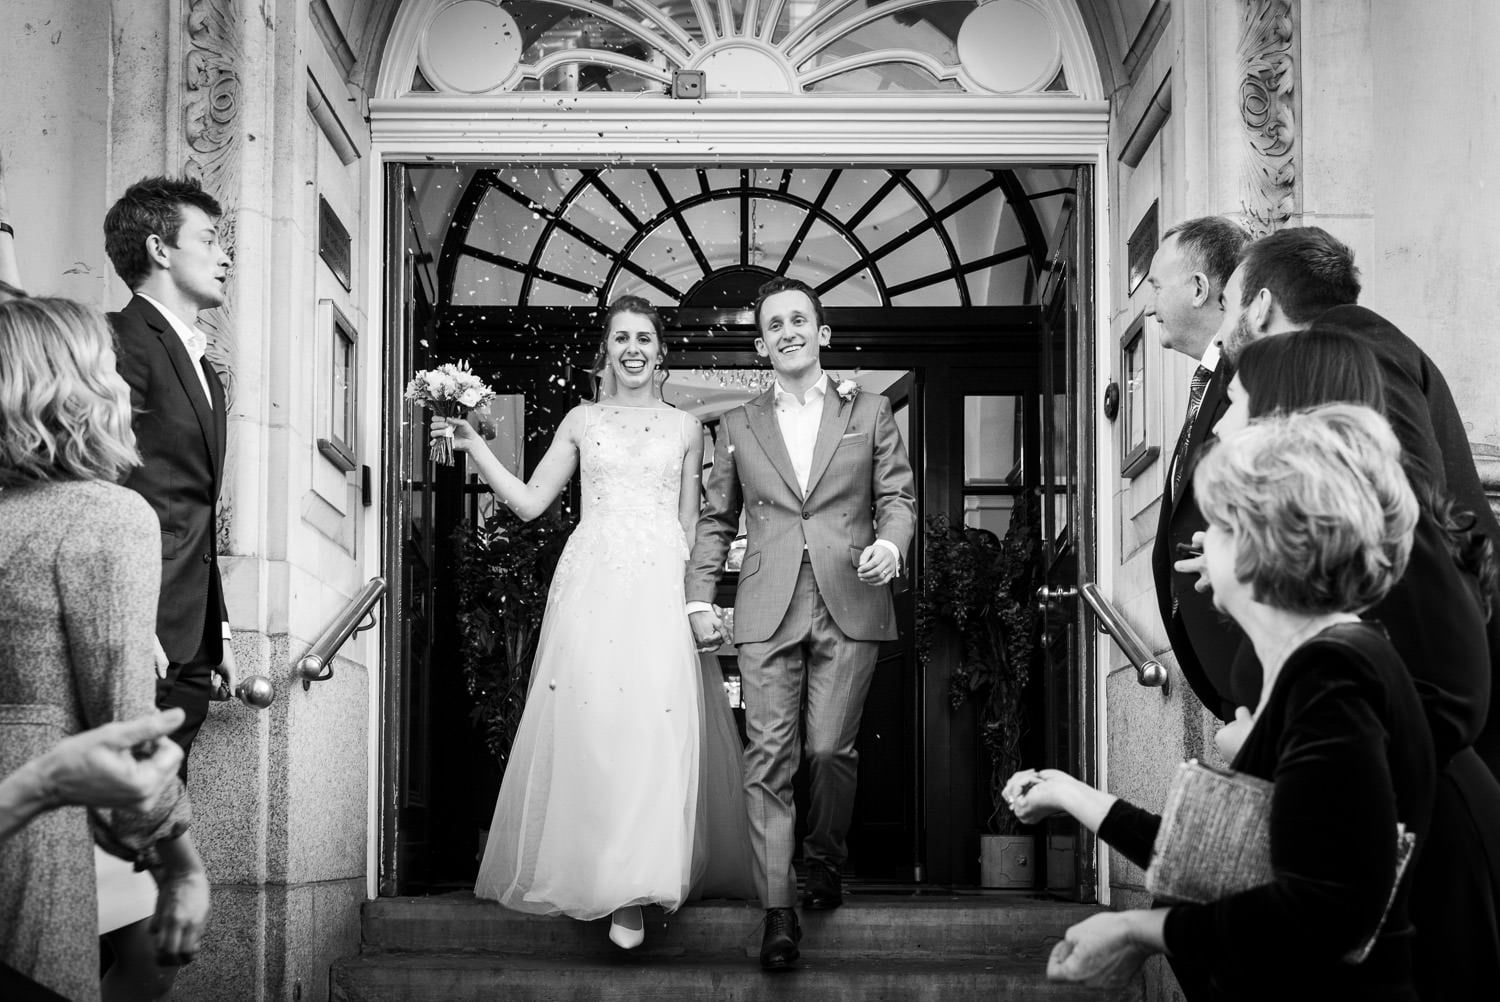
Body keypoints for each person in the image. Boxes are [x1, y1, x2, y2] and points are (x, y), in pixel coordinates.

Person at [1007, 404, 1434, 1000]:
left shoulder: (1333, 674)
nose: (1202, 540)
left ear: (1269, 543)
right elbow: (1219, 857)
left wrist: (1140, 927)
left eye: (1221, 524)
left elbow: (1330, 908)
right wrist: (1068, 792)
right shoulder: (1326, 664)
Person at [441, 296, 753, 951]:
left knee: (653, 726)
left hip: (662, 583)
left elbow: (693, 523)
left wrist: (698, 599)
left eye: (645, 337)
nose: (634, 348)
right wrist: (473, 446)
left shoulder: (685, 428)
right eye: (621, 338)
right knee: (596, 727)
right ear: (605, 350)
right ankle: (600, 876)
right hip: (594, 582)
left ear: (661, 349)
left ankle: (640, 886)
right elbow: (529, 503)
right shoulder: (582, 420)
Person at [1205, 328, 1500, 1000]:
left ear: (1284, 409)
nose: (1222, 418)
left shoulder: (1395, 529)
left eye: (1237, 399)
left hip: (1429, 861)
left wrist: (1277, 741)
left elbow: (1454, 697)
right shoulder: (1307, 544)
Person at [686, 276, 917, 970]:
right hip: (764, 605)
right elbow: (716, 520)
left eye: (799, 320)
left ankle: (825, 857)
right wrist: (699, 597)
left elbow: (898, 497)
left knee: (826, 751)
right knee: (769, 758)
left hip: (850, 596)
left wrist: (891, 545)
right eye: (774, 325)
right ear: (761, 345)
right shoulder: (736, 424)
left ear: (820, 334)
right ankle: (777, 911)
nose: (788, 331)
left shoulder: (870, 409)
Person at [1213, 225, 1500, 761]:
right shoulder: (1345, 351)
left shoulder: (1356, 352)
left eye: (1228, 306)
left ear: (1260, 308)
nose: (1221, 331)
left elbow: (1399, 519)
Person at [0, 296, 210, 1002]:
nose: (122, 385)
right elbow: (127, 743)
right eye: (107, 368)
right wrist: (183, 865)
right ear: (72, 389)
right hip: (35, 844)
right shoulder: (106, 515)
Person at [104, 175, 237, 774]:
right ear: (160, 249)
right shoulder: (118, 342)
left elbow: (196, 507)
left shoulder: (206, 370)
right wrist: (130, 616)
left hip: (191, 638)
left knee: (160, 812)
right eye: (208, 240)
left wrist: (222, 630)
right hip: (139, 635)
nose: (225, 255)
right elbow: (99, 489)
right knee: (128, 823)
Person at [1145, 217, 1252, 721]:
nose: (1149, 306)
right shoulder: (1211, 377)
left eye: (1156, 288)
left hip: (1244, 643)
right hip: (1221, 660)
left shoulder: (1247, 372)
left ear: (1198, 288)